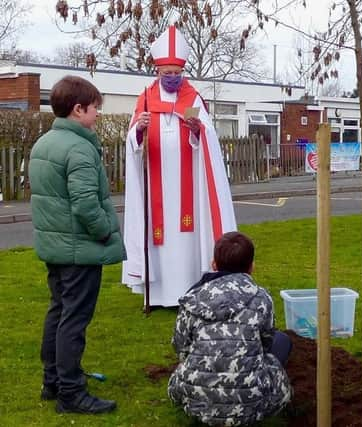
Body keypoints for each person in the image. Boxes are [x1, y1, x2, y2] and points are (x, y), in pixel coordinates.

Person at [29, 76, 126, 414]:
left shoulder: (43, 143)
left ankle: (52, 382)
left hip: (55, 247)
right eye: (95, 108)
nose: (98, 114)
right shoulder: (79, 148)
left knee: (58, 312)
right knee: (73, 319)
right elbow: (85, 203)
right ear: (78, 109)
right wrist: (103, 232)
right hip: (78, 250)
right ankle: (71, 392)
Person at [122, 25, 237, 307]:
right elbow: (132, 141)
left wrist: (198, 130)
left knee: (187, 237)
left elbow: (207, 138)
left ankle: (188, 291)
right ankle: (159, 296)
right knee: (158, 236)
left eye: (177, 74)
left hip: (188, 188)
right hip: (157, 182)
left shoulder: (192, 98)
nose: (172, 79)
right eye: (167, 74)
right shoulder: (146, 98)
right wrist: (139, 129)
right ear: (157, 72)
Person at [168, 231, 292, 426]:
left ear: (214, 264)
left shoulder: (192, 298)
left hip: (196, 399)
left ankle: (205, 396)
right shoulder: (262, 298)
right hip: (252, 404)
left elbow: (180, 347)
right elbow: (266, 342)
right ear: (251, 267)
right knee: (283, 341)